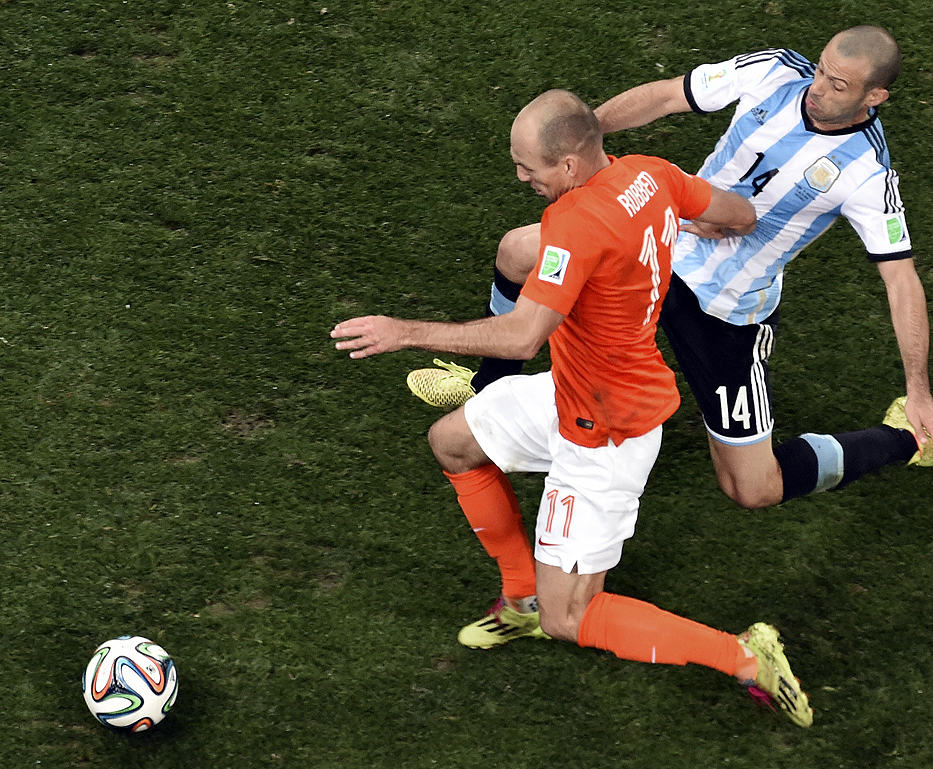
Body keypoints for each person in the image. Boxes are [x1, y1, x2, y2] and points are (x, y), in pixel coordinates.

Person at [333, 89, 813, 727]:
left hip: (607, 432)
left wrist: (404, 331)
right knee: (452, 442)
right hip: (577, 392)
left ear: (568, 164)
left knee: (572, 617)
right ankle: (521, 598)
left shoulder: (576, 224)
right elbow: (740, 214)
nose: (520, 176)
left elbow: (521, 337)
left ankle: (745, 656)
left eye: (527, 165)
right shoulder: (652, 173)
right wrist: (689, 226)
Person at [407, 26, 933, 509]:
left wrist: (918, 387)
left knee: (753, 488)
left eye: (838, 85)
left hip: (726, 310)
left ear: (875, 96)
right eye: (822, 69)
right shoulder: (776, 71)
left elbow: (901, 279)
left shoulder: (868, 173)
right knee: (517, 251)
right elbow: (663, 97)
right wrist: (575, 140)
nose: (818, 88)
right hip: (658, 242)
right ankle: (487, 386)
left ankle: (906, 437)